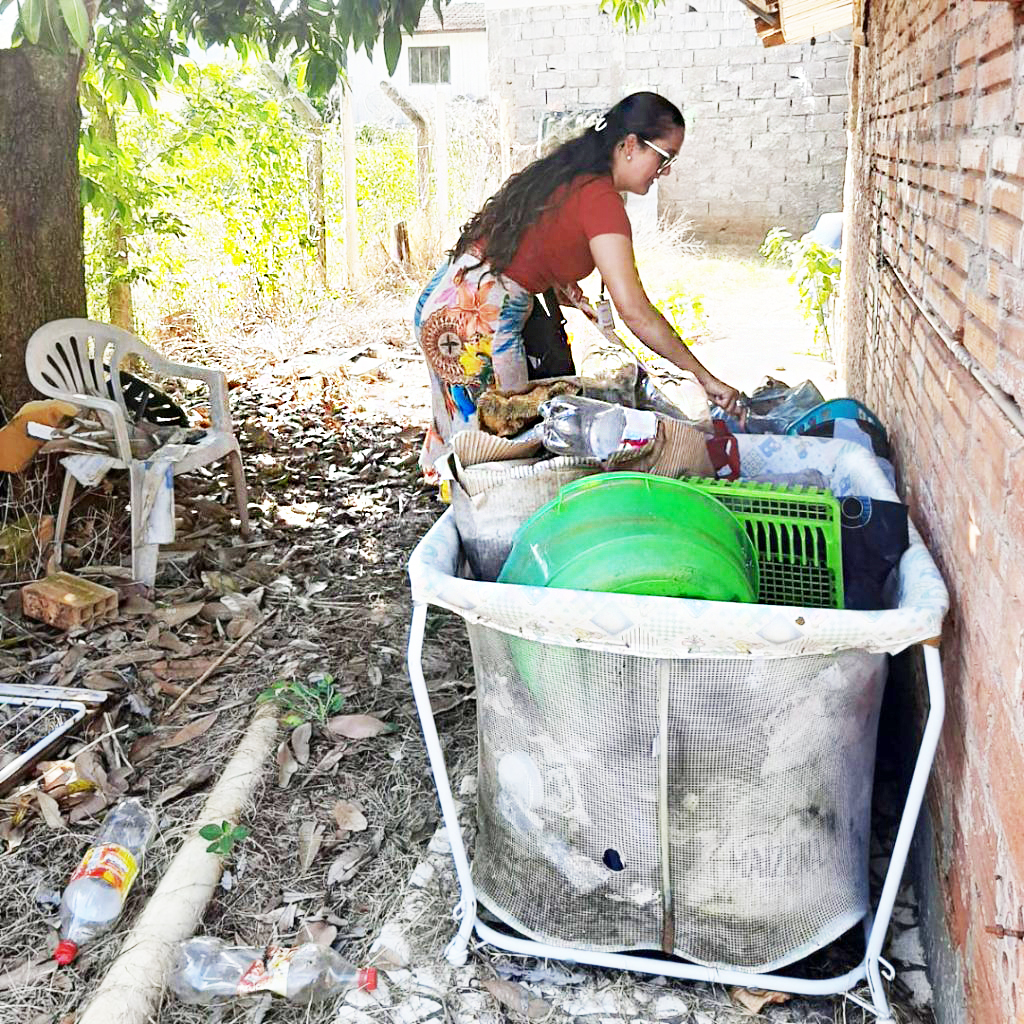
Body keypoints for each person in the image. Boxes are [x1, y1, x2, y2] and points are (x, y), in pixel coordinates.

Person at [414, 90, 741, 474]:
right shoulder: (600, 200)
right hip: (476, 321)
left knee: (465, 435)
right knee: (501, 449)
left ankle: (459, 514)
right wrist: (702, 376)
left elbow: (534, 242)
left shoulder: (573, 177)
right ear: (631, 145)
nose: (665, 170)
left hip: (447, 296)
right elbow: (634, 311)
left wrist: (566, 289)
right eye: (665, 157)